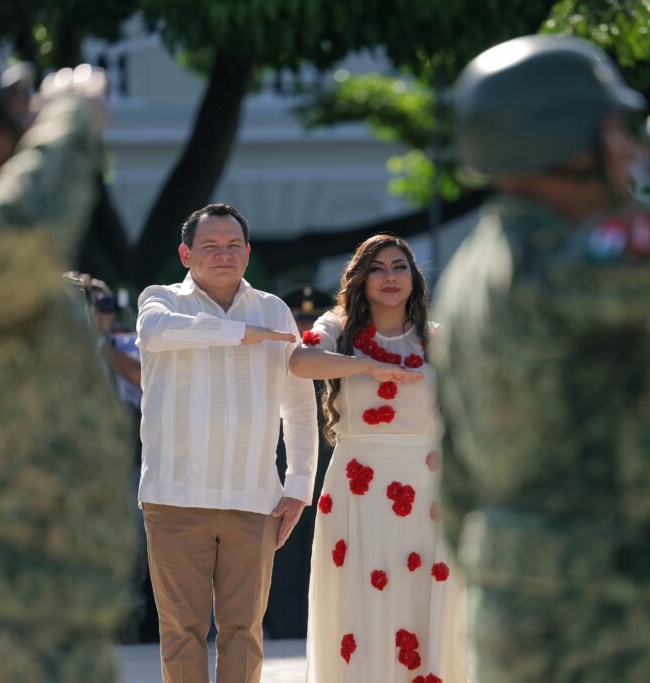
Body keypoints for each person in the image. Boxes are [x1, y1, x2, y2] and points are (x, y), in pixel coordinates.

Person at [431, 35, 650, 682]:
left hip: (517, 603)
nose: (628, 153)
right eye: (614, 133)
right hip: (598, 617)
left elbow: (457, 472)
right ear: (569, 150)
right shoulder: (553, 265)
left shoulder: (471, 272)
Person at [0, 33, 137, 682]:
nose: (31, 120)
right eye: (15, 108)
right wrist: (71, 117)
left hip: (32, 614)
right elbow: (25, 226)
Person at [135, 202, 318, 683]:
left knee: (244, 632)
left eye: (234, 245)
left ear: (248, 252)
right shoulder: (160, 301)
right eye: (211, 245)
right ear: (185, 253)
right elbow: (154, 334)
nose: (224, 254)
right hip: (174, 499)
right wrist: (238, 333)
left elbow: (299, 403)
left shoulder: (274, 310)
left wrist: (299, 484)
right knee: (181, 632)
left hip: (253, 499)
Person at [290, 234, 468, 683]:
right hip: (358, 487)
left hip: (428, 487)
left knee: (421, 597)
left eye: (399, 267)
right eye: (378, 268)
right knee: (358, 603)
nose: (390, 277)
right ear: (361, 278)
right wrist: (367, 366)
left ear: (414, 277)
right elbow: (300, 361)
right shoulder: (338, 328)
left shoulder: (436, 337)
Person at [263, 284, 335, 639]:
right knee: (285, 554)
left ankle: (318, 628)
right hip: (287, 467)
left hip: (333, 467)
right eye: (299, 320)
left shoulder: (335, 355)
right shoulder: (278, 355)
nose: (306, 328)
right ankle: (282, 628)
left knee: (325, 551)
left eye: (312, 320)